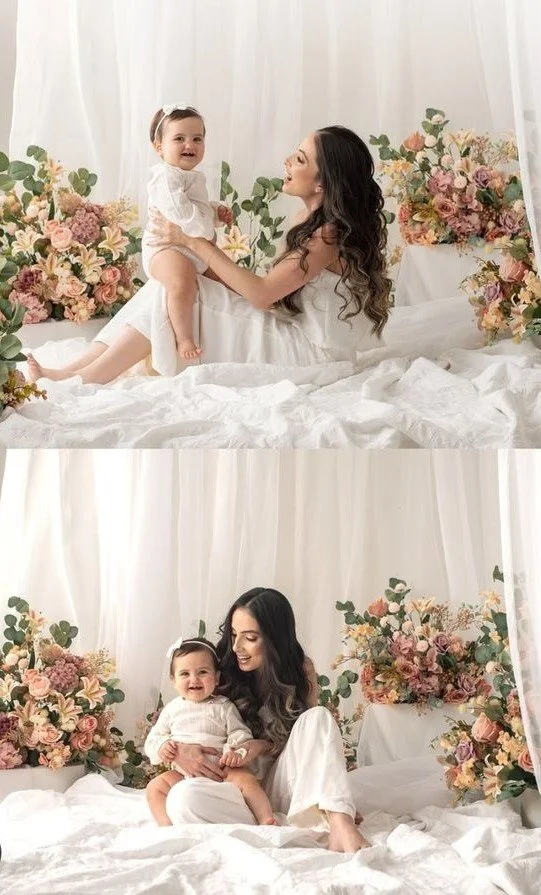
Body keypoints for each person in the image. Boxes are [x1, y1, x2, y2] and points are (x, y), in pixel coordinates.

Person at [27, 126, 391, 384]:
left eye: (298, 159)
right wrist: (191, 258)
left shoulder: (329, 234)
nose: (286, 161)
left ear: (322, 182)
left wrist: (192, 241)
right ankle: (75, 370)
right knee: (174, 284)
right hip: (295, 334)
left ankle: (85, 378)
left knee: (176, 288)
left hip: (311, 355)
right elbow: (265, 291)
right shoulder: (310, 221)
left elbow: (262, 295)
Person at [162, 588, 370, 852]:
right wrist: (179, 752)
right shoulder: (217, 670)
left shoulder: (301, 671)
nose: (237, 647)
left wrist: (259, 747)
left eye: (250, 638)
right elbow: (185, 716)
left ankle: (341, 822)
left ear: (274, 639)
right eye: (234, 635)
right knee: (183, 799)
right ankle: (268, 823)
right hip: (233, 787)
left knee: (317, 717)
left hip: (280, 783)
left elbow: (309, 742)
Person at [144, 636, 277, 827]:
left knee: (246, 780)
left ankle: (265, 818)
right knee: (155, 787)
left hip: (222, 771)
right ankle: (166, 825)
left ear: (216, 678)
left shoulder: (223, 706)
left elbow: (239, 733)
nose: (194, 680)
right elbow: (154, 739)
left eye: (202, 672)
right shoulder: (172, 710)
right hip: (183, 774)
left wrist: (234, 751)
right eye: (184, 674)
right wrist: (163, 746)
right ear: (173, 680)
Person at [141, 104, 232, 359]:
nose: (189, 144)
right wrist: (206, 227)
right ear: (159, 146)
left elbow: (196, 208)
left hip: (190, 246)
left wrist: (215, 212)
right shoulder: (165, 179)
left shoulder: (192, 176)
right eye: (179, 138)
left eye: (197, 139)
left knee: (229, 278)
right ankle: (184, 338)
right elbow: (181, 215)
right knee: (182, 282)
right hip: (164, 248)